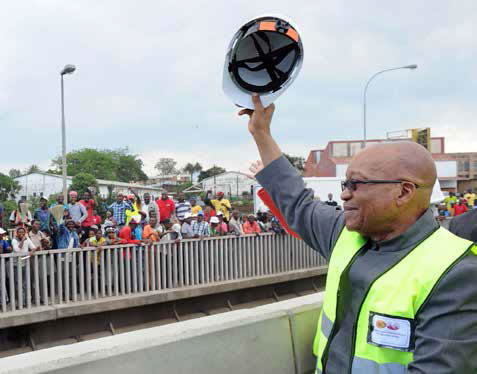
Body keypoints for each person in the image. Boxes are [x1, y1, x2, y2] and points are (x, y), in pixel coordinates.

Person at [240, 94, 477, 373]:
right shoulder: (346, 233)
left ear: (403, 192)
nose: (344, 194)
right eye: (345, 183)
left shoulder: (456, 274)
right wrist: (261, 133)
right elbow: (297, 202)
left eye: (356, 184)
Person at [11, 227, 38, 305]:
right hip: (16, 264)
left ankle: (25, 301)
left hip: (25, 263)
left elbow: (33, 247)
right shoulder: (14, 240)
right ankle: (20, 302)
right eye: (19, 232)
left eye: (23, 232)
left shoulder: (27, 239)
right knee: (18, 283)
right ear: (17, 233)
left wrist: (32, 251)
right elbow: (17, 250)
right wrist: (22, 240)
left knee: (25, 283)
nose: (21, 234)